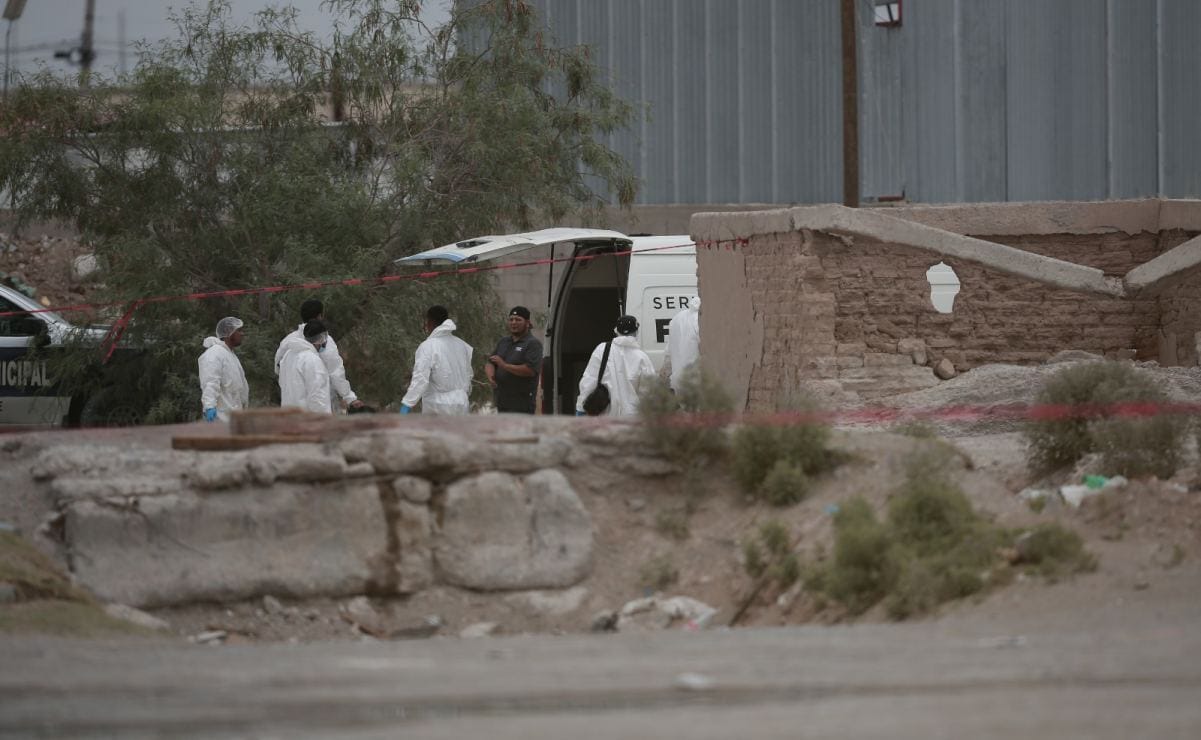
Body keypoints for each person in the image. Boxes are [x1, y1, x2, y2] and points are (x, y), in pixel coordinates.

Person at [274, 298, 364, 413]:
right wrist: (349, 397)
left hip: (290, 405)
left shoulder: (288, 341)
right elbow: (335, 372)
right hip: (319, 406)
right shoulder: (322, 342)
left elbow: (278, 369)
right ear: (320, 316)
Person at [399, 305, 474, 415]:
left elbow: (420, 379)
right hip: (461, 403)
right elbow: (468, 374)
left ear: (430, 322)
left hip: (437, 406)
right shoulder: (461, 345)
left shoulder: (428, 346)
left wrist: (407, 404)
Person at [576, 315, 655, 416]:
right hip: (632, 419)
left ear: (616, 330)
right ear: (636, 332)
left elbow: (589, 381)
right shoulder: (642, 358)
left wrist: (580, 408)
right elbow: (649, 393)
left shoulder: (602, 350)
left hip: (604, 418)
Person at [485, 306, 543, 414]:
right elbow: (490, 362)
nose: (513, 323)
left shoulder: (533, 344)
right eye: (511, 319)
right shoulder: (503, 341)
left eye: (518, 319)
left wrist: (504, 365)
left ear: (527, 323)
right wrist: (491, 377)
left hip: (522, 405)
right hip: (502, 402)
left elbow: (530, 370)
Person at [198, 316, 249, 422]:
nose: (242, 334)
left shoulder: (229, 354)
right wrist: (209, 406)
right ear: (229, 332)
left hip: (233, 417)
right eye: (239, 330)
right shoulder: (214, 354)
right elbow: (210, 382)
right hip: (220, 417)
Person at [277, 320, 332, 413]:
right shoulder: (313, 360)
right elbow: (317, 397)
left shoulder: (288, 356)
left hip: (288, 416)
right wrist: (324, 418)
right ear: (321, 338)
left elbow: (282, 384)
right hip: (308, 419)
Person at [666, 296, 701, 392]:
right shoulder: (700, 320)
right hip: (696, 381)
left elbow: (668, 351)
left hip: (678, 380)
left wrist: (667, 373)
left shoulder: (678, 317)